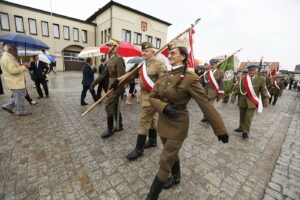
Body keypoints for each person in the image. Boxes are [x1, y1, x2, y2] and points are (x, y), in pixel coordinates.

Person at [145, 38, 228, 200]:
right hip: (163, 123)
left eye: (173, 53)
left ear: (183, 56)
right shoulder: (164, 76)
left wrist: (220, 129)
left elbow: (205, 104)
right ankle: (176, 177)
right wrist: (163, 107)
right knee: (171, 154)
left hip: (178, 125)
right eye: (168, 53)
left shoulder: (190, 78)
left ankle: (151, 197)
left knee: (165, 159)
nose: (169, 55)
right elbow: (153, 97)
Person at [126, 42, 167, 161]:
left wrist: (158, 97)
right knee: (151, 120)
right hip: (144, 97)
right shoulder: (143, 64)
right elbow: (131, 75)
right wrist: (119, 80)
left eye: (146, 51)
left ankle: (139, 149)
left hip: (152, 99)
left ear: (153, 52)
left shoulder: (159, 64)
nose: (143, 53)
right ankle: (153, 141)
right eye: (142, 51)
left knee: (144, 121)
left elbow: (164, 82)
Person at [90, 39, 126, 139]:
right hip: (111, 86)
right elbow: (103, 74)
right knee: (114, 107)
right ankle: (119, 125)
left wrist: (119, 86)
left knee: (108, 106)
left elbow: (123, 76)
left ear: (116, 47)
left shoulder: (119, 59)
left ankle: (110, 129)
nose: (108, 48)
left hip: (117, 87)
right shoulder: (110, 60)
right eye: (108, 46)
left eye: (110, 46)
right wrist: (93, 84)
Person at [231, 65, 268, 139]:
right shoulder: (243, 79)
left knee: (248, 117)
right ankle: (241, 127)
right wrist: (233, 96)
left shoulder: (261, 79)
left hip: (252, 102)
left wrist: (265, 100)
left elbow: (264, 91)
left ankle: (245, 132)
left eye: (253, 70)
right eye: (249, 70)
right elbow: (238, 89)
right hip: (242, 100)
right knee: (242, 116)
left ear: (256, 71)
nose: (251, 72)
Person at [1, 44, 32, 116]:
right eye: (15, 50)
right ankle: (20, 111)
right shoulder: (7, 58)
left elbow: (14, 68)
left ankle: (7, 106)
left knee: (19, 96)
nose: (16, 51)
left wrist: (21, 65)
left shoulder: (9, 57)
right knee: (19, 97)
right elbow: (13, 71)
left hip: (16, 81)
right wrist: (24, 66)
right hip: (15, 81)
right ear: (9, 50)